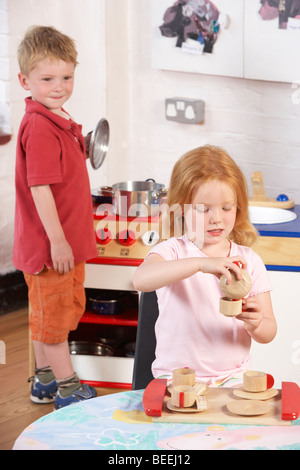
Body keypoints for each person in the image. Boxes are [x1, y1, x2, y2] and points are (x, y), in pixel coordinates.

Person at [133, 145, 277, 387]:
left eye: (226, 207)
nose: (216, 218)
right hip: (177, 377)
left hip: (233, 377)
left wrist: (257, 324)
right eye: (203, 209)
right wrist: (201, 264)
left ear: (238, 206)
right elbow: (141, 280)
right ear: (180, 207)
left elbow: (269, 331)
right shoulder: (173, 251)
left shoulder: (248, 260)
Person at [13, 26, 98, 408]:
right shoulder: (40, 126)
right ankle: (67, 388)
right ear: (24, 81)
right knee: (56, 320)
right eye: (47, 79)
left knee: (47, 313)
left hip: (56, 243)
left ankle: (44, 380)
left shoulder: (55, 117)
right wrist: (59, 240)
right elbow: (40, 188)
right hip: (52, 247)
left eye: (66, 77)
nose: (59, 86)